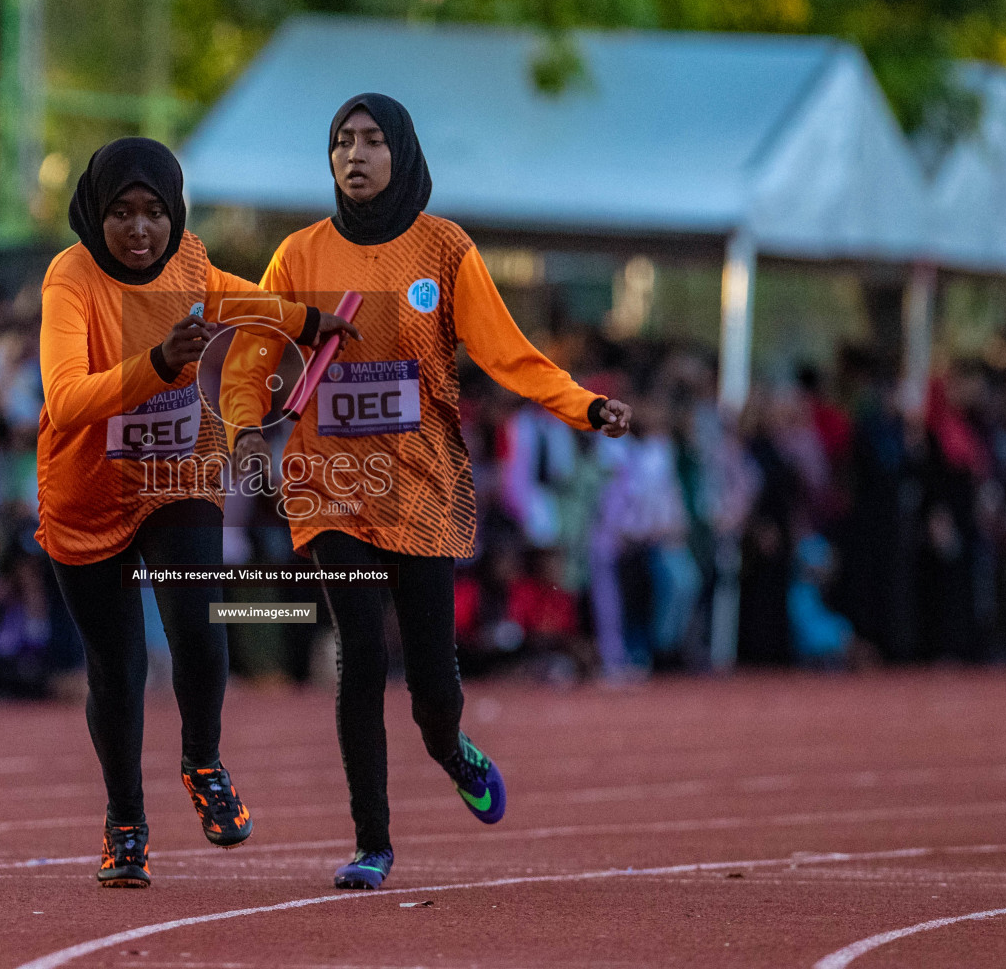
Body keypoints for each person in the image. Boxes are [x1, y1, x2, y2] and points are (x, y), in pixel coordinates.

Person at [221, 94, 631, 889]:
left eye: (373, 141)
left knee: (433, 688)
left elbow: (508, 352)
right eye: (342, 141)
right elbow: (251, 355)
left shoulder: (443, 251)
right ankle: (371, 843)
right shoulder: (298, 256)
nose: (355, 155)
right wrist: (242, 423)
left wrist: (582, 404)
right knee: (361, 656)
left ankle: (451, 748)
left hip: (423, 487)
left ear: (401, 152)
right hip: (331, 483)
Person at [37, 137, 358, 887]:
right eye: (123, 214)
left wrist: (309, 324)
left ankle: (203, 763)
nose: (141, 230)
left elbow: (233, 295)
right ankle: (125, 825)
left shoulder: (188, 261)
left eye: (155, 212)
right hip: (87, 495)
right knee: (116, 671)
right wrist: (158, 363)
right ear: (96, 214)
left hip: (179, 477)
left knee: (198, 628)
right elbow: (65, 399)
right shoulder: (70, 280)